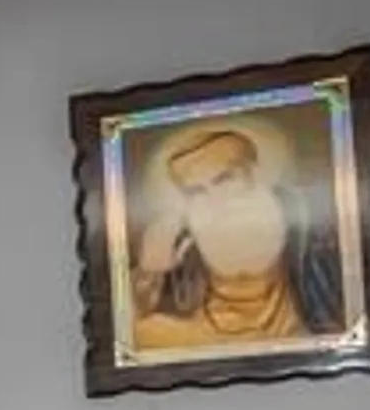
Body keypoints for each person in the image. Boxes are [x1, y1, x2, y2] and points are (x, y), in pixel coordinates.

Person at [128, 122, 348, 352]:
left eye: (225, 180)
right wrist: (151, 274)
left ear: (256, 175)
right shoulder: (177, 246)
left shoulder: (314, 238)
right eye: (196, 192)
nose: (215, 201)